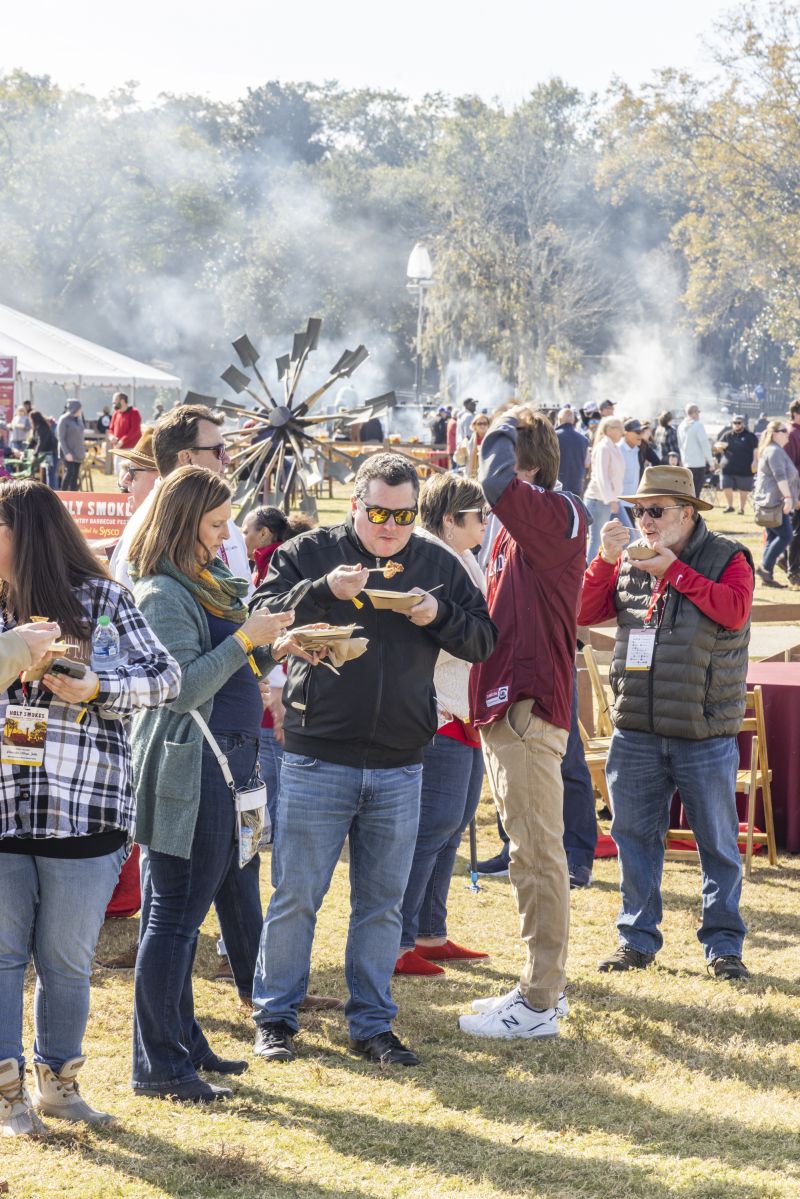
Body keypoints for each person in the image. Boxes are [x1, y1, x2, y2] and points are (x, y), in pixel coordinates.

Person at [249, 453, 496, 1067]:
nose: (390, 526)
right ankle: (276, 1018)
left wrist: (436, 614)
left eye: (404, 514)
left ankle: (372, 1024)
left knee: (382, 900)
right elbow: (262, 615)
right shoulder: (310, 551)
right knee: (297, 894)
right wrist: (324, 591)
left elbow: (485, 637)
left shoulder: (437, 560)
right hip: (317, 752)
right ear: (355, 505)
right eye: (379, 512)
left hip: (401, 758)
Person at [0, 480, 179, 1136]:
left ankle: (60, 1084)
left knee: (67, 959)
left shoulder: (103, 600)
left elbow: (165, 677)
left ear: (25, 533)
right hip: (5, 809)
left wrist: (100, 686)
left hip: (84, 807)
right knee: (2, 957)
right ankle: (8, 1094)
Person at [128, 467, 301, 1103]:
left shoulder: (204, 583)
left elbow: (235, 662)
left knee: (182, 916)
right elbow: (181, 688)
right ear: (182, 524)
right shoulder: (160, 593)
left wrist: (281, 647)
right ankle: (159, 1067)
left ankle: (184, 1045)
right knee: (173, 917)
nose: (227, 535)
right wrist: (249, 641)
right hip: (190, 766)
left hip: (226, 762)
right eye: (216, 524)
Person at [579, 465, 754, 981]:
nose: (646, 521)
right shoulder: (631, 560)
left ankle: (723, 947)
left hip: (702, 732)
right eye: (639, 511)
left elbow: (735, 610)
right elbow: (585, 610)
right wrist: (605, 561)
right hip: (637, 727)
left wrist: (674, 571)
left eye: (655, 511)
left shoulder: (728, 557)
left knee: (717, 843)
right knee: (634, 836)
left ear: (686, 513)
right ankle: (636, 938)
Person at [460, 405, 587, 1040]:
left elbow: (493, 484)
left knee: (538, 853)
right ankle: (538, 988)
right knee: (525, 852)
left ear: (525, 464)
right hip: (507, 702)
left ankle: (540, 1002)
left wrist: (501, 426)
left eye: (503, 454)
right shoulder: (519, 524)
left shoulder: (557, 511)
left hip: (530, 705)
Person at [395, 473, 489, 977]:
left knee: (452, 825)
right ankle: (398, 939)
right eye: (479, 516)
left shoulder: (459, 559)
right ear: (451, 519)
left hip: (462, 705)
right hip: (438, 710)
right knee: (432, 827)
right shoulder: (432, 559)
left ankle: (429, 931)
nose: (486, 524)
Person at [752, 420, 799, 588]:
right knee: (785, 535)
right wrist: (788, 498)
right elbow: (780, 476)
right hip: (774, 503)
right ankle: (765, 568)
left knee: (773, 537)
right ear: (774, 434)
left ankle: (767, 576)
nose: (787, 434)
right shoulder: (774, 451)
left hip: (772, 502)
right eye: (783, 431)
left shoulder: (776, 450)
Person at [583, 416, 625, 562]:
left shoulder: (613, 446)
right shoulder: (603, 447)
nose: (623, 431)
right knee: (596, 542)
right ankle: (588, 577)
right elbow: (602, 476)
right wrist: (611, 500)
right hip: (599, 500)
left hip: (611, 500)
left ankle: (618, 570)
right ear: (609, 430)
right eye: (619, 428)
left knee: (628, 536)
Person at [714, 415, 758, 514]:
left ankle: (741, 509)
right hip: (727, 467)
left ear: (743, 423)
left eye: (739, 423)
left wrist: (755, 461)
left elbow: (756, 449)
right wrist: (718, 451)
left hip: (745, 467)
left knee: (743, 489)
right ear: (732, 424)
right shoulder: (727, 435)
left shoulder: (750, 436)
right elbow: (718, 447)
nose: (737, 425)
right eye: (735, 423)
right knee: (725, 486)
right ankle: (730, 506)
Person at [782, 399, 800, 585]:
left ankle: (783, 560)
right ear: (795, 413)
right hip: (796, 491)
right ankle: (793, 571)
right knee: (797, 532)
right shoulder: (791, 433)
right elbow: (788, 468)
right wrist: (793, 496)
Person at [677, 404, 712, 498]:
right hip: (698, 464)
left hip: (686, 464)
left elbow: (680, 445)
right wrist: (711, 462)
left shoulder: (680, 426)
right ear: (695, 413)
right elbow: (705, 444)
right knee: (696, 494)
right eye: (698, 412)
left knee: (687, 493)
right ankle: (693, 512)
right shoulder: (698, 425)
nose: (699, 415)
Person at [555, 407, 590, 496]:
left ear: (559, 419)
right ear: (573, 420)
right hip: (576, 487)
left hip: (556, 486)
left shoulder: (553, 436)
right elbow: (587, 463)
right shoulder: (584, 439)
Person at [618, 419, 644, 527]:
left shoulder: (636, 450)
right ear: (626, 433)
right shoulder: (618, 450)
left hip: (632, 503)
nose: (640, 435)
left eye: (641, 432)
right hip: (620, 503)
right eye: (637, 432)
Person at [56, 400, 86, 491]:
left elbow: (80, 435)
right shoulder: (64, 419)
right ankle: (63, 494)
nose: (81, 410)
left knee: (75, 475)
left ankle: (74, 495)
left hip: (77, 452)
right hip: (67, 451)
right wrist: (67, 453)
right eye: (79, 408)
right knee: (70, 472)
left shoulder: (79, 419)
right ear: (75, 408)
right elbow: (61, 438)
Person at [108, 392, 143, 466]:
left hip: (131, 449)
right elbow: (111, 429)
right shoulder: (116, 413)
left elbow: (134, 430)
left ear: (122, 401)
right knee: (118, 473)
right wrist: (111, 437)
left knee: (130, 473)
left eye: (115, 401)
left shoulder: (134, 412)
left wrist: (122, 441)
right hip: (118, 448)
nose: (113, 404)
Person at [28, 410, 59, 490]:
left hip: (50, 453)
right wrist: (25, 450)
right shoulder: (37, 428)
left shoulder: (42, 428)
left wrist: (35, 455)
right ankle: (50, 490)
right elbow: (34, 441)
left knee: (50, 474)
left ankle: (54, 491)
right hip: (46, 453)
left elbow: (41, 442)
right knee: (48, 473)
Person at [455, 413, 490, 478]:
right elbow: (460, 461)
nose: (482, 426)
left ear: (488, 425)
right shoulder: (468, 440)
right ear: (474, 425)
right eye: (479, 424)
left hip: (487, 475)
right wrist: (460, 451)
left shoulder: (492, 439)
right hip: (472, 475)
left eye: (485, 423)